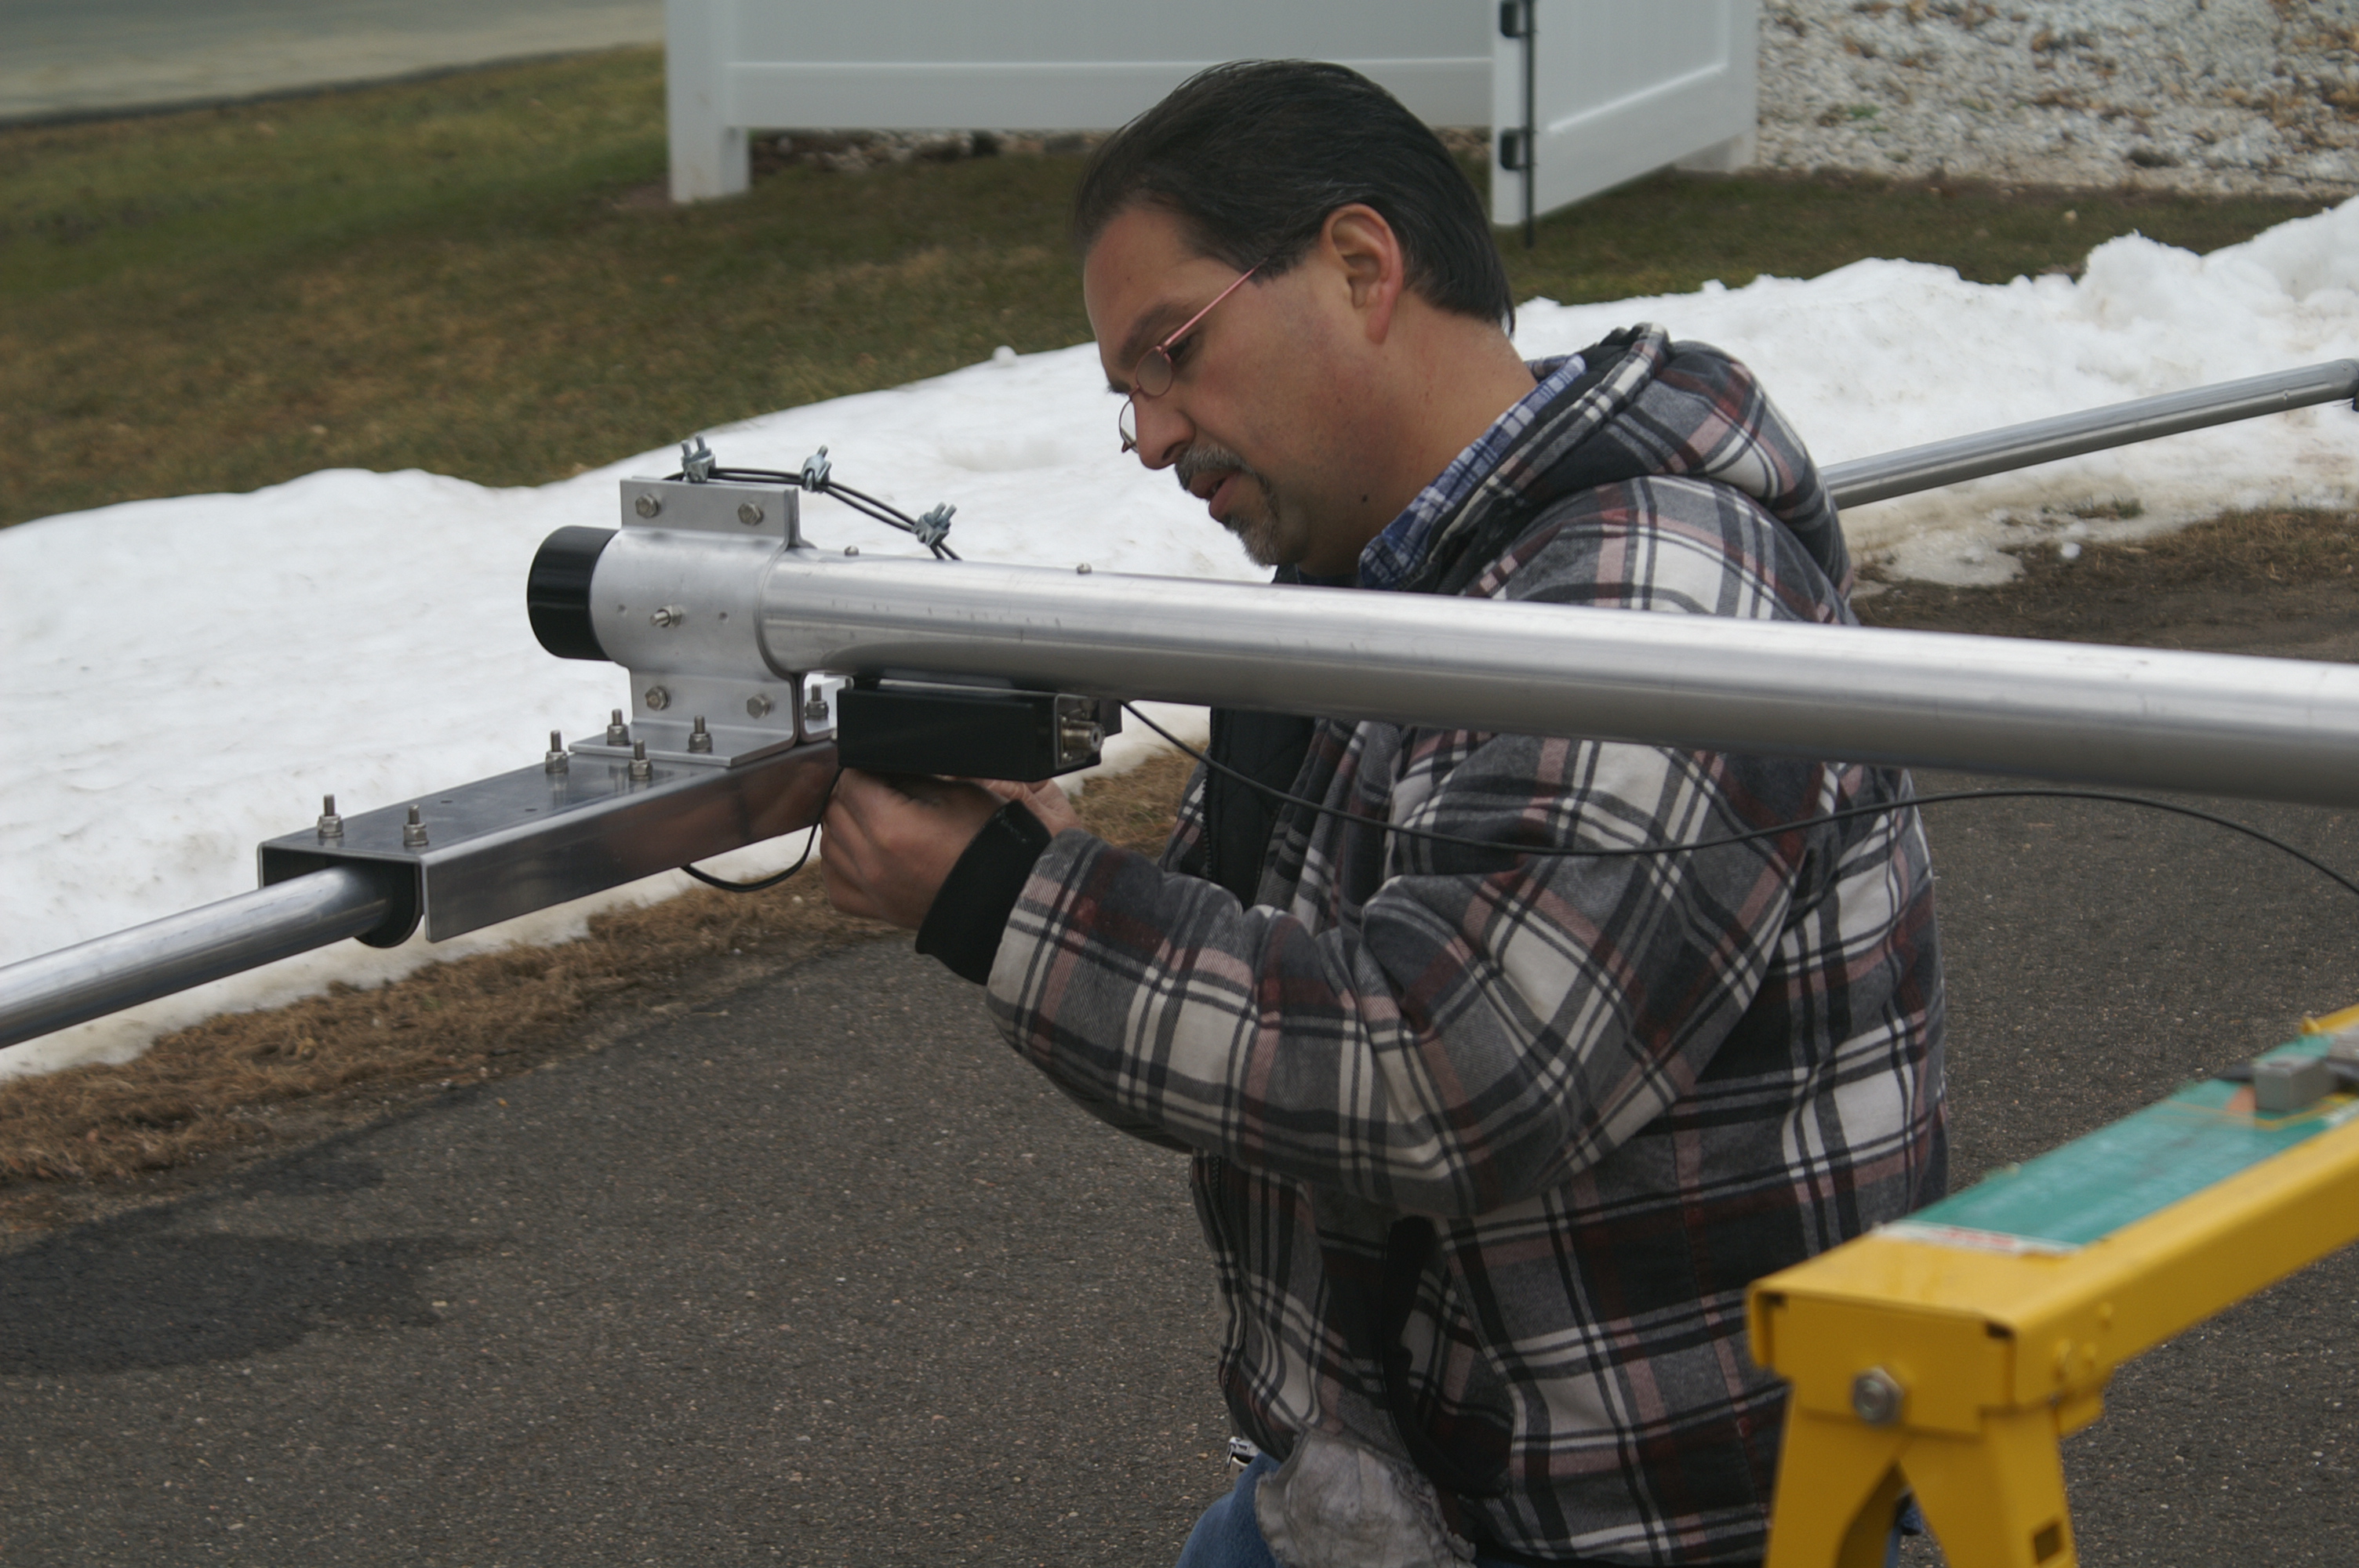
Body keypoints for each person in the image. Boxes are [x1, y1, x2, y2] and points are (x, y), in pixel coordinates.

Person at [818, 60, 1946, 1568]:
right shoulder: (1381, 586)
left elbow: (1449, 1073)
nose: (1150, 437)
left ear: (1361, 266)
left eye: (1172, 353)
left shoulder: (1652, 589)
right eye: (1125, 395)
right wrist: (1047, 855)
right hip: (1396, 1493)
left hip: (1661, 1525)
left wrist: (1001, 901)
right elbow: (1264, 993)